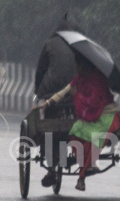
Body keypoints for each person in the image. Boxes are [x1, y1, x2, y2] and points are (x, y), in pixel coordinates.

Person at [38, 53, 120, 191]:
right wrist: (48, 103)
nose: (76, 68)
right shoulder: (79, 79)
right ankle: (87, 167)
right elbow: (65, 91)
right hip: (90, 117)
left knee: (94, 137)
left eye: (78, 65)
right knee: (75, 133)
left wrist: (77, 95)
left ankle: (82, 175)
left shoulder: (99, 79)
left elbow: (94, 103)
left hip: (107, 115)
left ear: (84, 65)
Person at [34, 13, 84, 187]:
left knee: (49, 124)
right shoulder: (83, 45)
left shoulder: (49, 44)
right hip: (78, 91)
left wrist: (37, 91)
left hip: (51, 92)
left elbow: (41, 71)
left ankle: (52, 167)